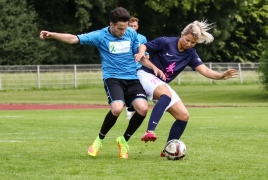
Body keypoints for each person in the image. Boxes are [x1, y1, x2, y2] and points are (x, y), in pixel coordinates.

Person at [39, 7, 165, 159]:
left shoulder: (131, 34)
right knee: (117, 108)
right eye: (119, 29)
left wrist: (154, 68)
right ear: (111, 24)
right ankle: (99, 140)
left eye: (125, 28)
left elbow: (140, 56)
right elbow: (74, 39)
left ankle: (123, 141)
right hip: (113, 78)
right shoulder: (99, 36)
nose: (123, 32)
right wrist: (52, 35)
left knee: (143, 109)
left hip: (132, 78)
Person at [134, 20, 239, 156]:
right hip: (146, 75)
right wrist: (142, 53)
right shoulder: (166, 42)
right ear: (182, 34)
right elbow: (143, 46)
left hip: (161, 82)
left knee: (183, 116)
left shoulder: (190, 54)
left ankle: (168, 149)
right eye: (187, 40)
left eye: (193, 43)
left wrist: (220, 76)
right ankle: (150, 131)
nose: (189, 44)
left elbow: (205, 71)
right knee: (166, 94)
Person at [126, 17, 150, 120]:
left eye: (134, 26)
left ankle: (136, 110)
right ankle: (129, 109)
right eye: (131, 26)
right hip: (127, 69)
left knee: (140, 90)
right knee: (127, 90)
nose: (132, 27)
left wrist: (144, 57)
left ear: (137, 26)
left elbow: (147, 54)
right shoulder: (123, 37)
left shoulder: (142, 38)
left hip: (139, 69)